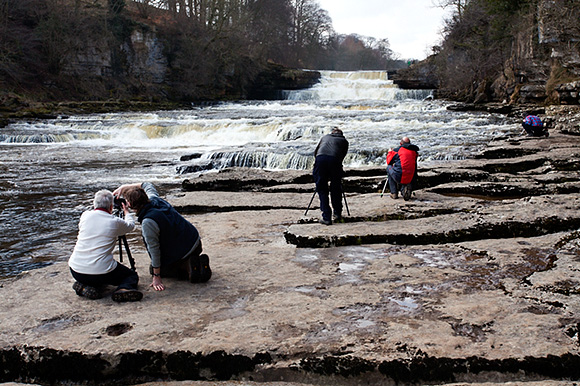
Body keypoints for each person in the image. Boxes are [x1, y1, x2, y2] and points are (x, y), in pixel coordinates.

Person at [113, 182, 210, 291]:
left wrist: (156, 276)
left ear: (130, 204)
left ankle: (187, 267)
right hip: (195, 242)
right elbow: (147, 184)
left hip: (182, 252)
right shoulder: (154, 198)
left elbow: (154, 249)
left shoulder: (148, 222)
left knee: (155, 269)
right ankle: (194, 261)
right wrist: (124, 187)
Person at [69, 189, 143, 302]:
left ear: (94, 204)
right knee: (131, 276)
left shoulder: (85, 215)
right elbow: (130, 226)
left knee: (95, 278)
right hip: (101, 272)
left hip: (76, 270)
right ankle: (123, 289)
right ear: (111, 207)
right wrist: (127, 212)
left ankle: (85, 286)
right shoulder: (114, 221)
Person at [313, 127, 349, 225]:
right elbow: (342, 156)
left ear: (332, 133)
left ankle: (326, 217)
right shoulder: (344, 141)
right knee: (336, 188)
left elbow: (315, 153)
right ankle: (337, 213)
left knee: (322, 189)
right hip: (335, 161)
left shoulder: (325, 137)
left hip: (320, 160)